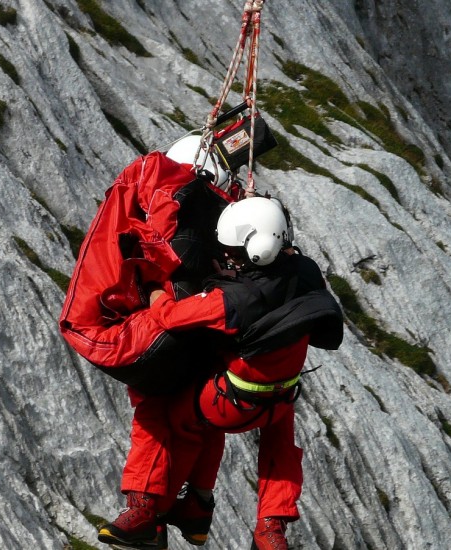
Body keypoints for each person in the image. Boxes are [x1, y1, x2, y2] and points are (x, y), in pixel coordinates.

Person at [98, 197, 344, 550]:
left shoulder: (233, 301)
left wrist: (153, 289)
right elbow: (273, 270)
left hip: (229, 404)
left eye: (235, 253)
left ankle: (146, 513)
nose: (230, 258)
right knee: (280, 450)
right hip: (281, 399)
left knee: (164, 414)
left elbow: (169, 317)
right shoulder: (305, 270)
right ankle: (269, 529)